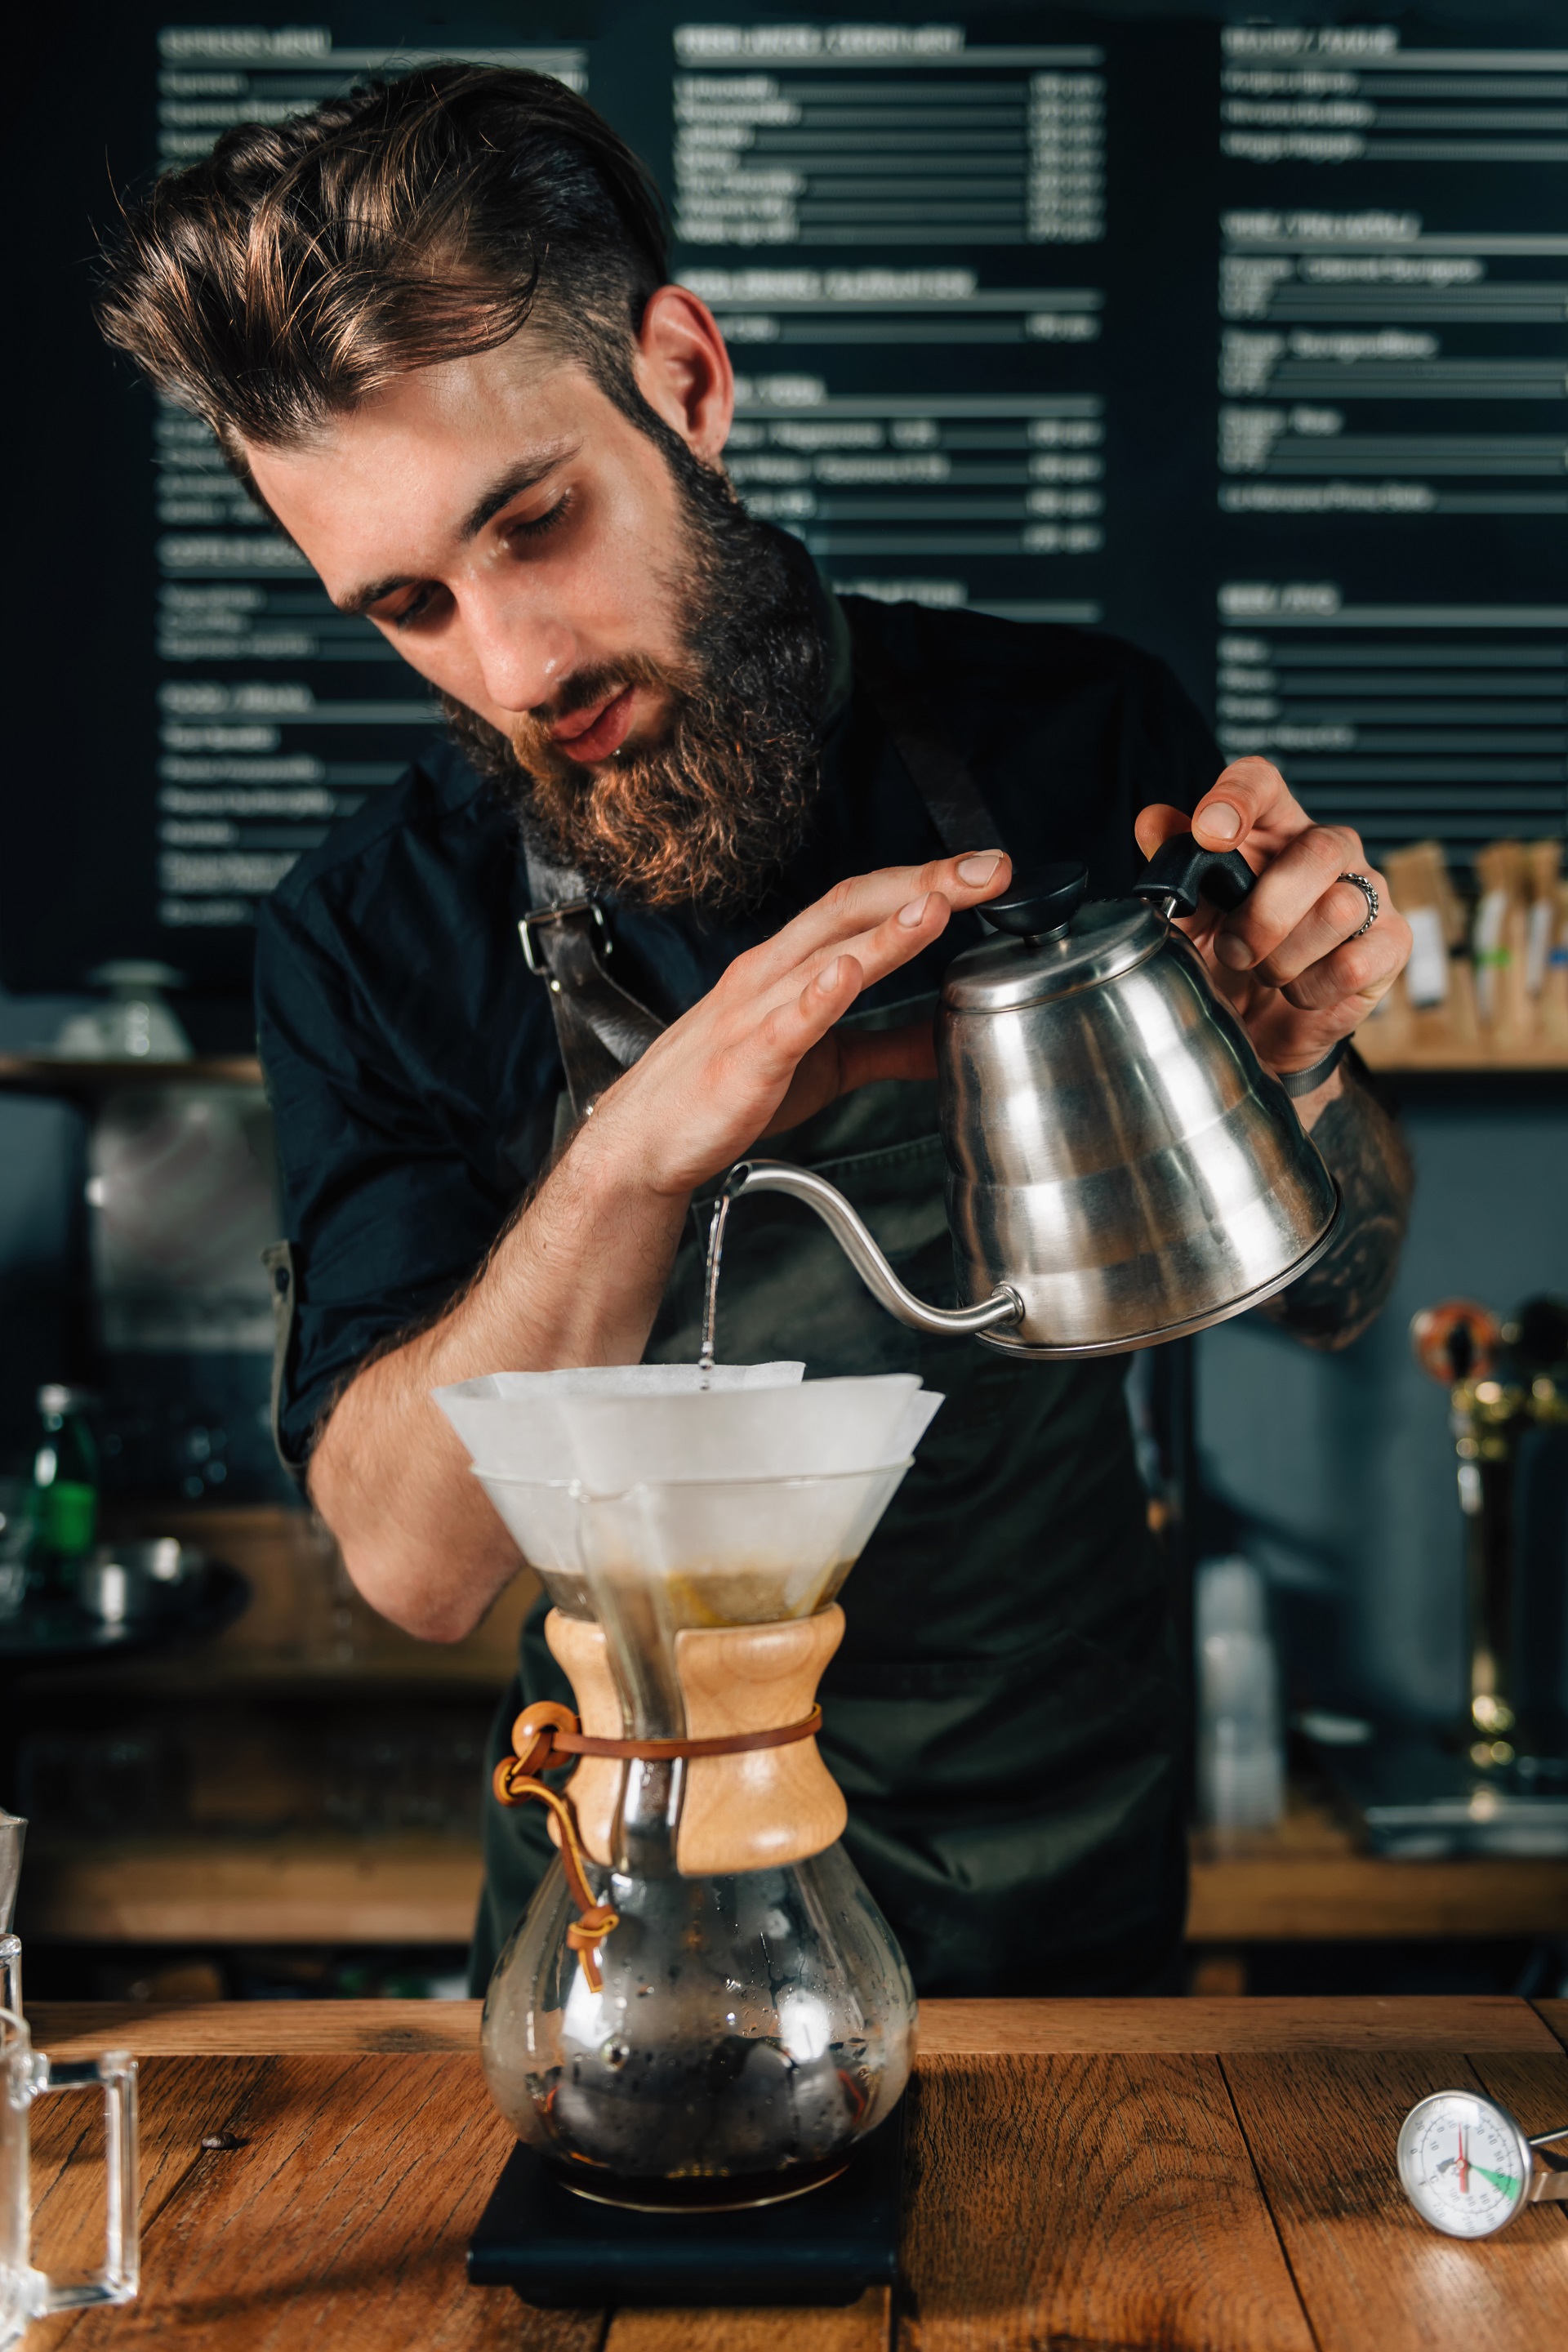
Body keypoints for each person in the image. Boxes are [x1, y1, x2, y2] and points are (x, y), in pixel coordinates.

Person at [98, 66, 1414, 1995]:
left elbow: (1342, 1284)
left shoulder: (1078, 748)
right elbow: (413, 1563)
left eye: (536, 522)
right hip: (631, 1898)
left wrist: (1290, 1059)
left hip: (1049, 1857)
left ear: (687, 382)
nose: (513, 665)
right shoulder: (369, 930)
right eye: (408, 608)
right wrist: (641, 1151)